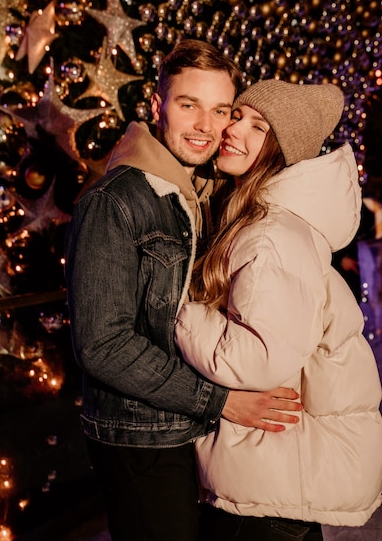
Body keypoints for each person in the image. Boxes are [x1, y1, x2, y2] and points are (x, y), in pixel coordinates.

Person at [64, 40, 303, 541]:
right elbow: (102, 344)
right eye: (188, 104)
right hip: (141, 438)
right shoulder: (115, 201)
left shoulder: (203, 194)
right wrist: (220, 400)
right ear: (157, 106)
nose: (205, 126)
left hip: (195, 431)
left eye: (220, 110)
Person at [175, 79, 382, 540]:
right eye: (238, 115)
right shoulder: (263, 221)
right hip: (273, 478)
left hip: (269, 490)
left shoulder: (271, 235)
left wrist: (178, 314)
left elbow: (257, 359)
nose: (232, 130)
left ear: (282, 151)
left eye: (258, 127)